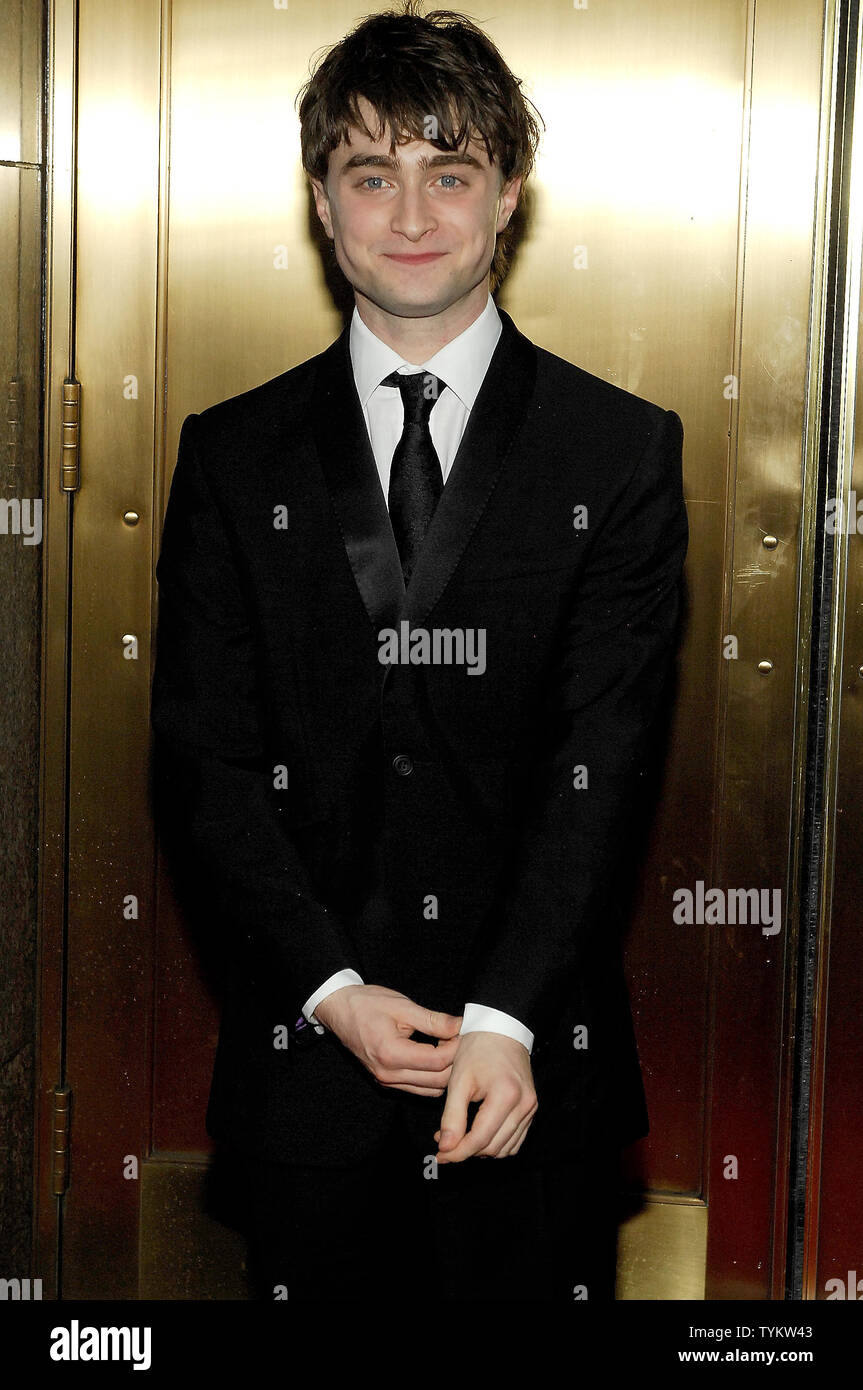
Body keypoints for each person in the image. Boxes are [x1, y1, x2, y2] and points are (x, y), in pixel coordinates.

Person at [150, 0, 689, 1302]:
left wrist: (504, 1016)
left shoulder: (617, 452)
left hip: (531, 1076)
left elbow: (605, 757)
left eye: (449, 171)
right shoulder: (233, 456)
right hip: (305, 1073)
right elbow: (202, 762)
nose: (410, 213)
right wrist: (330, 988)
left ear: (507, 194)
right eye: (371, 173)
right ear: (322, 203)